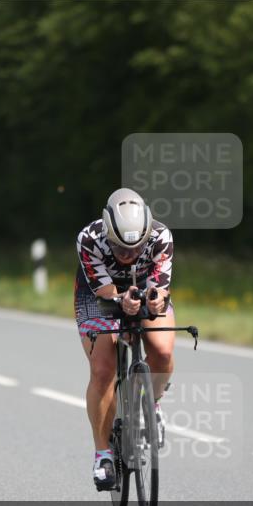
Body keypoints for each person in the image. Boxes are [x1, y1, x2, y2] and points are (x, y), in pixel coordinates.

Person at [75, 188, 174, 490]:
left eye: (136, 248)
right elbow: (106, 295)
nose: (129, 255)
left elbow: (160, 287)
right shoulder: (89, 239)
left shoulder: (161, 236)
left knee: (162, 351)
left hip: (143, 287)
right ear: (108, 233)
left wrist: (154, 302)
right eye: (120, 249)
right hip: (98, 296)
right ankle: (103, 454)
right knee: (103, 369)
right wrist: (120, 302)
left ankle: (153, 405)